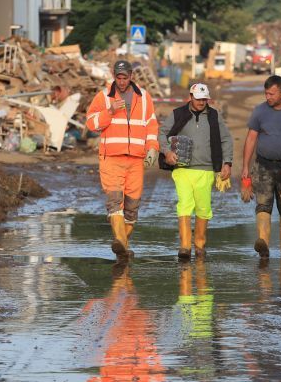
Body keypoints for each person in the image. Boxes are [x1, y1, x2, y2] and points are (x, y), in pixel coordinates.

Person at [86, 60, 160, 260]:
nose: (121, 81)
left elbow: (151, 125)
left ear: (131, 76)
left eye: (124, 77)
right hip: (111, 157)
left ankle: (123, 246)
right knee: (114, 201)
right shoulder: (103, 97)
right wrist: (109, 111)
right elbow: (91, 123)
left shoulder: (144, 97)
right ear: (114, 76)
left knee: (132, 208)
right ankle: (120, 241)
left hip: (136, 159)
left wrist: (152, 147)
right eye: (118, 77)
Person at [159, 83, 233, 260]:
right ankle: (185, 247)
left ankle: (200, 245)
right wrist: (167, 152)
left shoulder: (214, 115)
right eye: (198, 99)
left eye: (204, 99)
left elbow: (226, 139)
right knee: (184, 204)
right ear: (190, 97)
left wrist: (227, 163)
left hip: (206, 170)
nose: (201, 102)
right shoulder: (178, 114)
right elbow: (162, 134)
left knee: (203, 207)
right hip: (182, 169)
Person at [241, 75, 281, 258]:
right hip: (263, 166)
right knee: (263, 205)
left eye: (272, 94)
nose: (268, 97)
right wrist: (245, 167)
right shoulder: (259, 111)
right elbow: (251, 139)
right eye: (266, 93)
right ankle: (263, 245)